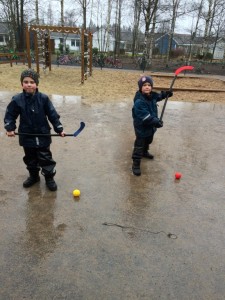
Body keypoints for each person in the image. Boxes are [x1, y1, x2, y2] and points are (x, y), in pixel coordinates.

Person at [4, 69, 65, 191]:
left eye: (32, 82)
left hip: (42, 134)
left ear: (36, 84)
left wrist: (59, 129)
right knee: (30, 158)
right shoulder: (17, 99)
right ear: (22, 84)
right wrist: (10, 128)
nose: (29, 84)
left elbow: (52, 114)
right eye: (25, 82)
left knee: (45, 157)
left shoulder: (43, 98)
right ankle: (33, 176)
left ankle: (49, 178)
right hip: (26, 135)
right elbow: (10, 115)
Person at [131, 75, 173, 176]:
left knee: (149, 140)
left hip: (150, 127)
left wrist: (165, 94)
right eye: (144, 85)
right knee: (139, 145)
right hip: (141, 127)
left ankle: (145, 152)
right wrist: (156, 122)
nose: (147, 87)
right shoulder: (139, 101)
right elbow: (145, 117)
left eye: (149, 85)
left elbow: (157, 97)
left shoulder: (151, 96)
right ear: (140, 87)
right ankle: (136, 164)